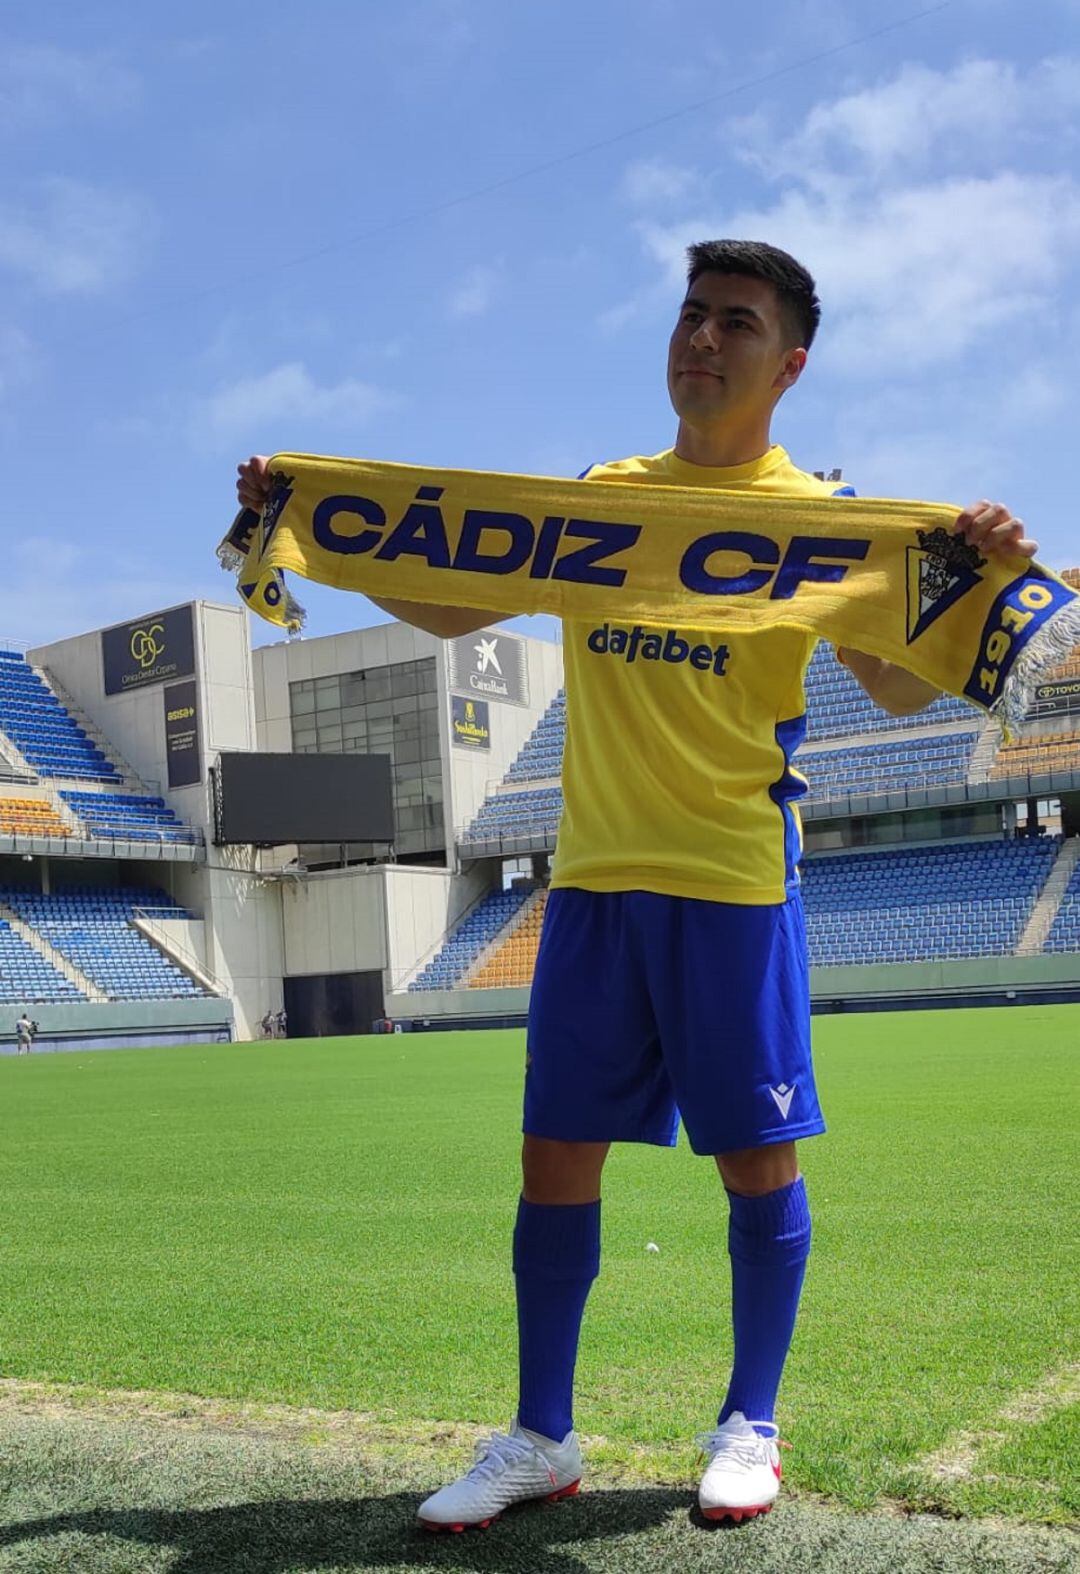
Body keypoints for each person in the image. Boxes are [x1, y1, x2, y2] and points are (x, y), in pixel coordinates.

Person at [236, 239, 1036, 1529]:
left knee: (757, 1167)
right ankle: (540, 1436)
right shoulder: (605, 501)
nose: (703, 341)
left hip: (733, 887)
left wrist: (977, 570)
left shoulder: (826, 525)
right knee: (554, 1160)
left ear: (791, 363)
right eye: (691, 316)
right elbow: (451, 609)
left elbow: (900, 681)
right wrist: (307, 524)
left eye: (735, 322)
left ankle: (750, 1424)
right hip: (593, 885)